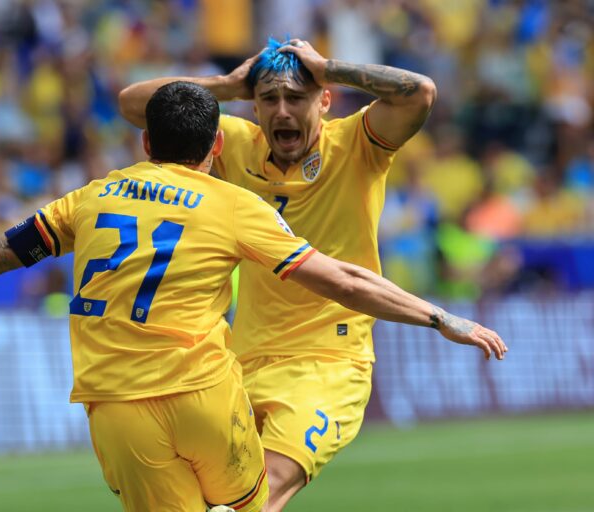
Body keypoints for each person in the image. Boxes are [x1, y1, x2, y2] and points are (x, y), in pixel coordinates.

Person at [0, 82, 505, 512]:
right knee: (253, 506)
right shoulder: (235, 205)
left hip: (113, 407)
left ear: (145, 143)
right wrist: (439, 316)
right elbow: (342, 279)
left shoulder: (90, 198)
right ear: (218, 146)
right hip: (202, 395)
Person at [118, 38, 455, 509]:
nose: (281, 112)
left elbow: (419, 92)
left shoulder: (357, 144)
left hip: (329, 360)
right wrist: (228, 85)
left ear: (324, 100)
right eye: (269, 99)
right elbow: (134, 103)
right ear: (253, 107)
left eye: (296, 98)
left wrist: (328, 67)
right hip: (241, 361)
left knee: (264, 490)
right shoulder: (235, 145)